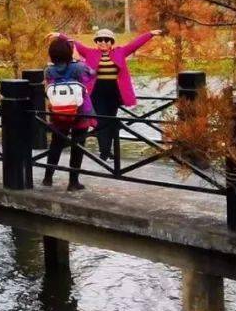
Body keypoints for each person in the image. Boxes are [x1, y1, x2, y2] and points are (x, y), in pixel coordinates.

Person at [51, 27, 164, 162]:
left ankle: (107, 150)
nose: (102, 42)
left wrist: (150, 33)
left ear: (111, 42)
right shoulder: (90, 53)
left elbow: (135, 44)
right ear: (96, 42)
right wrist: (60, 35)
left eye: (106, 40)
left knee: (111, 121)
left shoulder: (120, 52)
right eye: (99, 40)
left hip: (114, 92)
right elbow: (75, 43)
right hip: (96, 91)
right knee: (100, 121)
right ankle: (104, 151)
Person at [42, 37, 97, 190]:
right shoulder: (79, 67)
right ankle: (73, 182)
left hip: (58, 112)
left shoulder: (49, 70)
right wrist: (78, 59)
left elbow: (48, 88)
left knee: (56, 144)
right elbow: (92, 74)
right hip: (80, 112)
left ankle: (48, 178)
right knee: (77, 145)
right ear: (69, 52)